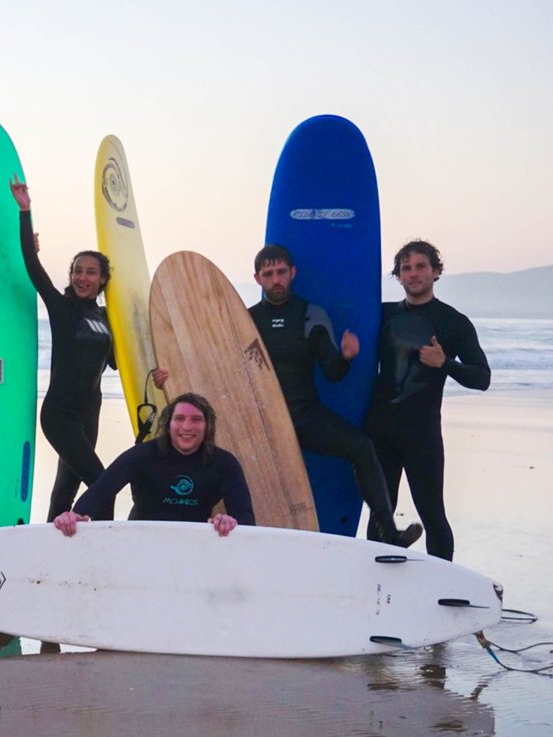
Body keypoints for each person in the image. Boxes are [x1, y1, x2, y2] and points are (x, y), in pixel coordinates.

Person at [247, 243, 422, 547]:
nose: (275, 279)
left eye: (281, 272)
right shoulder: (246, 320)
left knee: (362, 447)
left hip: (306, 416)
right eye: (268, 274)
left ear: (293, 273)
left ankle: (387, 530)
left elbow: (332, 373)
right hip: (264, 423)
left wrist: (346, 357)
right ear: (257, 278)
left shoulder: (310, 315)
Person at [364, 240, 490, 560]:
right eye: (406, 268)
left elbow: (482, 377)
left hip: (422, 435)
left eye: (421, 266)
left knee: (433, 516)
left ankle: (441, 590)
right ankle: (377, 590)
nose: (413, 274)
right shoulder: (382, 315)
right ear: (399, 276)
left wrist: (444, 363)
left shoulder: (453, 321)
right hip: (381, 433)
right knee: (380, 517)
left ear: (435, 272)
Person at [10, 179, 118, 521]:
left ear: (103, 279)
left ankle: (48, 563)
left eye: (90, 272)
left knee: (63, 497)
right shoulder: (63, 307)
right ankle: (104, 556)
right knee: (102, 487)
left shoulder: (104, 317)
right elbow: (32, 267)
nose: (82, 277)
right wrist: (25, 211)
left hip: (90, 416)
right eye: (77, 271)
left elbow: (119, 363)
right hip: (60, 415)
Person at [53, 393, 253, 538]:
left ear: (208, 426)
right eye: (179, 419)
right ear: (168, 425)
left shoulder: (224, 463)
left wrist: (230, 522)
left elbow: (245, 517)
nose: (187, 427)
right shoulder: (145, 454)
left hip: (194, 543)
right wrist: (76, 514)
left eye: (196, 420)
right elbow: (104, 487)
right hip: (141, 538)